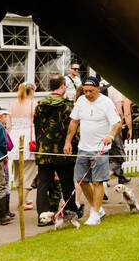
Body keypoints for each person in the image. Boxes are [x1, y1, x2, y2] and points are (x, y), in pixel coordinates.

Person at [63, 76, 121, 226]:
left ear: (98, 89)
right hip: (83, 147)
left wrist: (111, 136)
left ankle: (94, 214)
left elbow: (117, 123)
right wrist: (68, 142)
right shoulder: (81, 101)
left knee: (97, 181)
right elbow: (74, 121)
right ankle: (99, 209)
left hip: (100, 149)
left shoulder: (106, 103)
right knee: (81, 181)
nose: (87, 94)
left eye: (90, 91)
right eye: (85, 91)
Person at [33, 74, 77, 225]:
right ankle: (70, 211)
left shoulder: (39, 106)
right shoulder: (68, 106)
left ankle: (43, 216)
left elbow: (36, 128)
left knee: (43, 184)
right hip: (63, 151)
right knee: (67, 184)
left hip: (44, 150)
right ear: (63, 86)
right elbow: (74, 129)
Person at [7, 83, 35, 211]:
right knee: (29, 171)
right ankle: (21, 202)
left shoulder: (12, 105)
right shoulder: (33, 105)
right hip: (28, 138)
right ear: (32, 91)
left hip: (14, 139)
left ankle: (21, 198)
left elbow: (8, 126)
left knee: (18, 171)